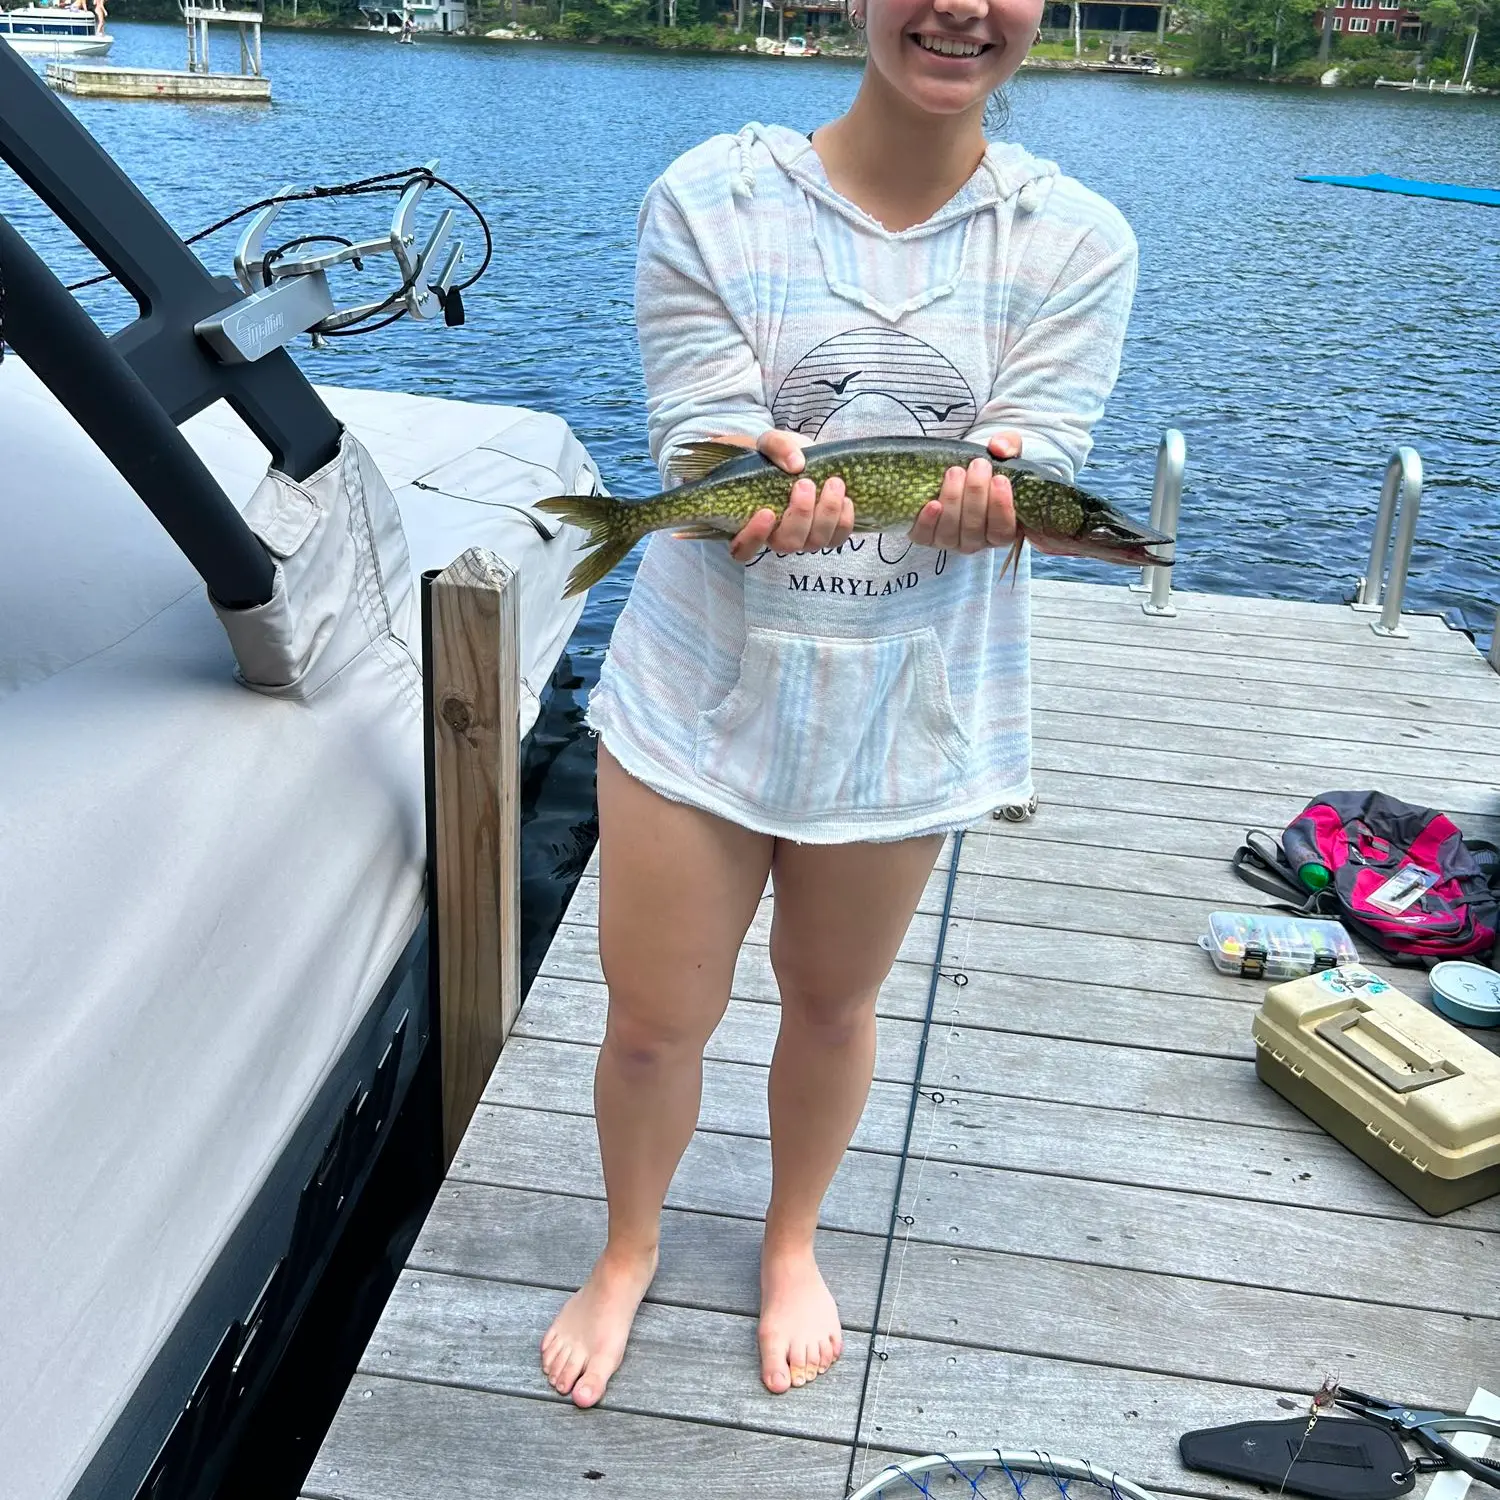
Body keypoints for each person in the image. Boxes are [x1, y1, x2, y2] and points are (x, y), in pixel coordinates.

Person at [540, 0, 1137, 1409]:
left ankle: (789, 1239)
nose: (962, 11)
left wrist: (1010, 494)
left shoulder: (1078, 239)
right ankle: (629, 1247)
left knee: (833, 1004)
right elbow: (697, 431)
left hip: (906, 705)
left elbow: (1040, 452)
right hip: (700, 694)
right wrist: (730, 464)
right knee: (648, 1020)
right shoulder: (711, 195)